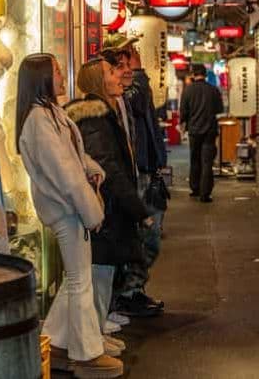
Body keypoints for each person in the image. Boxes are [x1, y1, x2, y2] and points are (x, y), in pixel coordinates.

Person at [16, 53, 123, 379]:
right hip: (67, 209)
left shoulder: (50, 114)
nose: (63, 76)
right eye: (57, 71)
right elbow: (65, 173)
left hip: (69, 207)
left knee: (77, 279)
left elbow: (74, 159)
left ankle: (61, 343)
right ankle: (87, 355)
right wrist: (92, 210)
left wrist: (92, 169)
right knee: (80, 280)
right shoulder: (39, 120)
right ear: (43, 78)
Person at [65, 58, 152, 341]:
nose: (118, 75)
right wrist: (138, 209)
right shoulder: (93, 117)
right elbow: (109, 169)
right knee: (98, 274)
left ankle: (96, 336)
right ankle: (91, 342)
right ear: (98, 81)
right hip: (105, 211)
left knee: (103, 273)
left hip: (110, 210)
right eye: (111, 72)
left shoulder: (106, 112)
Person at [103, 37, 167, 317]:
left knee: (148, 239)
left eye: (130, 64)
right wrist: (139, 70)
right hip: (132, 178)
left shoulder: (126, 96)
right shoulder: (121, 97)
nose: (127, 70)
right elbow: (141, 97)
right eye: (122, 65)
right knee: (141, 238)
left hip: (146, 172)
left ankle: (133, 291)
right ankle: (127, 294)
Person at [179, 63, 223, 202]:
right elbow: (219, 109)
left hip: (194, 130)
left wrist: (183, 123)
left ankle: (195, 188)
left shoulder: (188, 91)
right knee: (207, 161)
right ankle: (205, 193)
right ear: (205, 74)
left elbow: (183, 111)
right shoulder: (214, 90)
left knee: (195, 159)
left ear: (193, 74)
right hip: (210, 130)